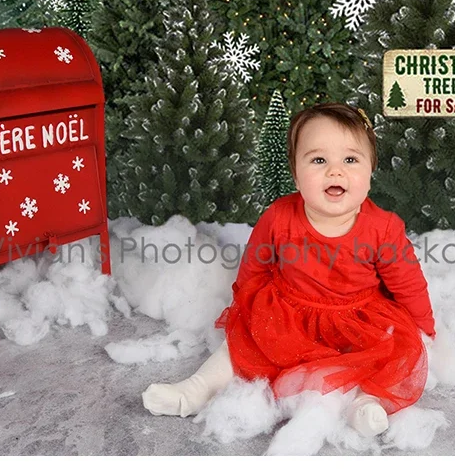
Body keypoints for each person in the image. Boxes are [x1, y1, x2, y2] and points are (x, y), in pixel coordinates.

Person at [141, 101, 436, 437]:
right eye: (319, 160)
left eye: (350, 160)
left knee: (386, 359)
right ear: (296, 174)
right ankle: (196, 388)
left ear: (370, 172)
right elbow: (255, 265)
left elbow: (408, 284)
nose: (335, 171)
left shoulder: (383, 228)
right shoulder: (280, 216)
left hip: (354, 322)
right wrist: (245, 311)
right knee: (239, 350)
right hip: (288, 315)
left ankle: (365, 405)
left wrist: (423, 328)